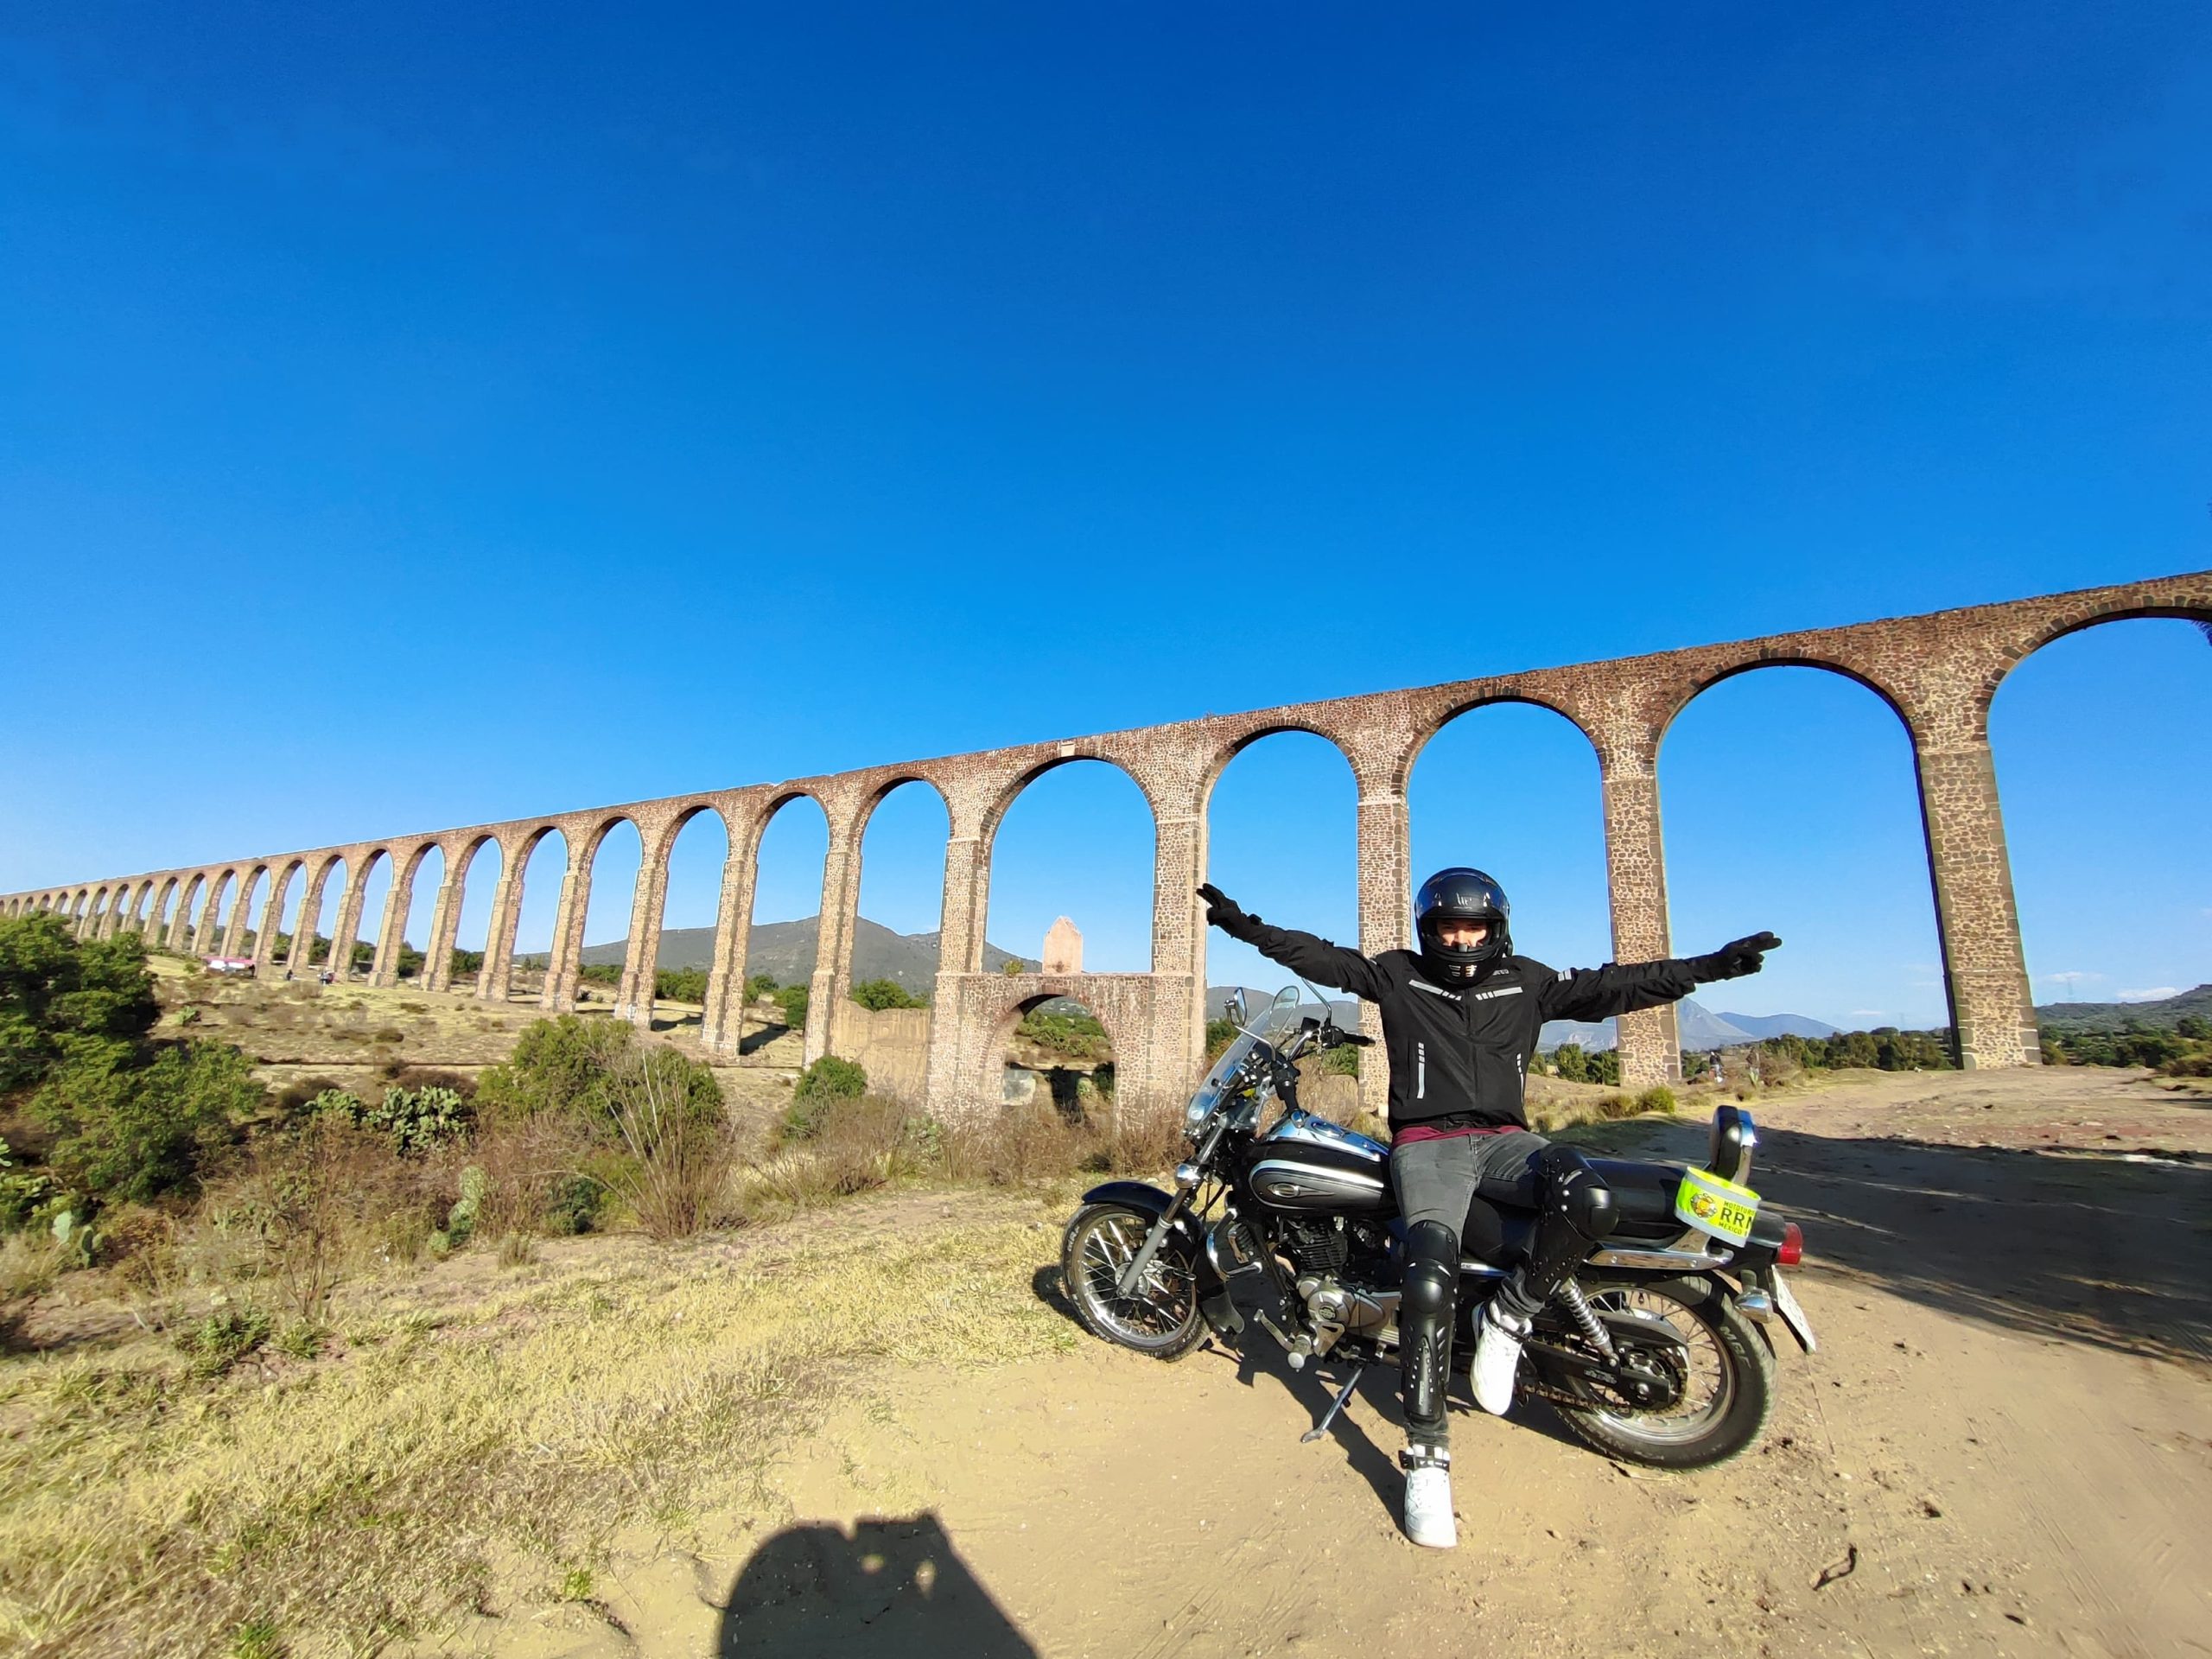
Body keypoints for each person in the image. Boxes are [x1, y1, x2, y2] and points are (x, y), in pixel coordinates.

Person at [1197, 870, 1778, 1550]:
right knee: (1428, 1276)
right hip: (1429, 1145)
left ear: (1495, 930)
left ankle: (1511, 1313)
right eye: (1448, 927)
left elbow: (1618, 985)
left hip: (1508, 1143)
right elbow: (1320, 956)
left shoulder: (1528, 980)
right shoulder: (1397, 976)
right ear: (1429, 930)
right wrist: (1245, 926)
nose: (1461, 938)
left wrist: (1713, 967)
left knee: (1587, 1196)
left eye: (1473, 927)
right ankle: (1427, 1459)